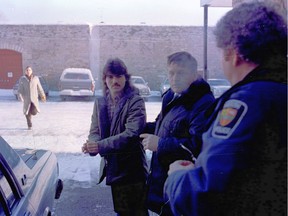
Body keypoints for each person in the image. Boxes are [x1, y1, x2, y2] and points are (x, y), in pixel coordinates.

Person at [164, 2, 287, 216]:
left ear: (233, 52)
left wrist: (176, 178)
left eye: (222, 53)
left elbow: (207, 195)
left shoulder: (247, 103)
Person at [140, 51, 215, 215]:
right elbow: (163, 127)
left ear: (194, 75)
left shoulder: (203, 103)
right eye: (171, 73)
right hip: (163, 184)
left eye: (181, 73)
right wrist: (137, 128)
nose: (174, 78)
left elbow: (198, 144)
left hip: (182, 188)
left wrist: (160, 144)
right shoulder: (171, 97)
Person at [81, 58, 149, 216]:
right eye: (110, 77)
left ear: (126, 77)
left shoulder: (135, 101)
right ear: (105, 79)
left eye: (118, 76)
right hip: (114, 168)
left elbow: (131, 135)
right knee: (121, 211)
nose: (115, 81)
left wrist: (100, 146)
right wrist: (92, 144)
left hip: (132, 170)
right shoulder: (101, 103)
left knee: (137, 213)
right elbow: (95, 131)